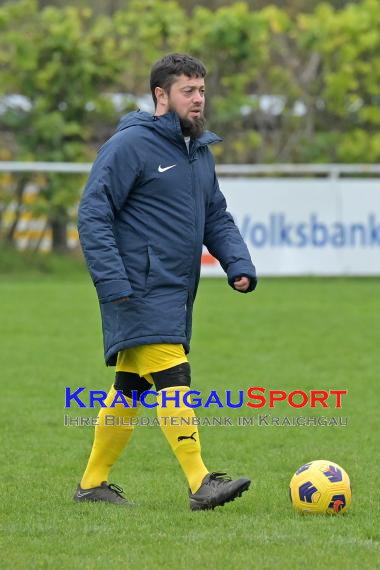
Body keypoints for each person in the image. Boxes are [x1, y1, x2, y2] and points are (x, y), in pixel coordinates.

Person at [75, 53, 257, 510]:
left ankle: (92, 483)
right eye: (188, 92)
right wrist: (111, 279)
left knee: (130, 389)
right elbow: (93, 213)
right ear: (161, 96)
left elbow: (215, 213)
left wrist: (238, 262)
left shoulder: (198, 150)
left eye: (201, 91)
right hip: (134, 287)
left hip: (172, 290)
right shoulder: (129, 146)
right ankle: (201, 483)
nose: (198, 100)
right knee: (174, 375)